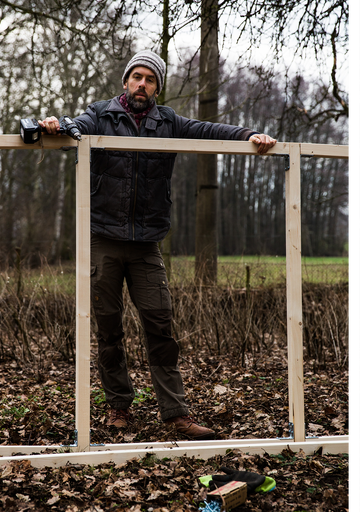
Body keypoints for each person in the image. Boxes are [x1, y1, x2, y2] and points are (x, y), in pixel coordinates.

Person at [38, 50, 277, 439]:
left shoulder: (168, 122)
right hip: (104, 240)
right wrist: (55, 124)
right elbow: (74, 125)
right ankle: (118, 407)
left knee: (160, 326)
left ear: (157, 87)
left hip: (147, 243)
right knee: (109, 329)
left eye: (150, 79)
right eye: (136, 77)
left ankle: (176, 414)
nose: (142, 85)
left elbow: (208, 131)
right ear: (125, 81)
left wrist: (250, 135)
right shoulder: (101, 114)